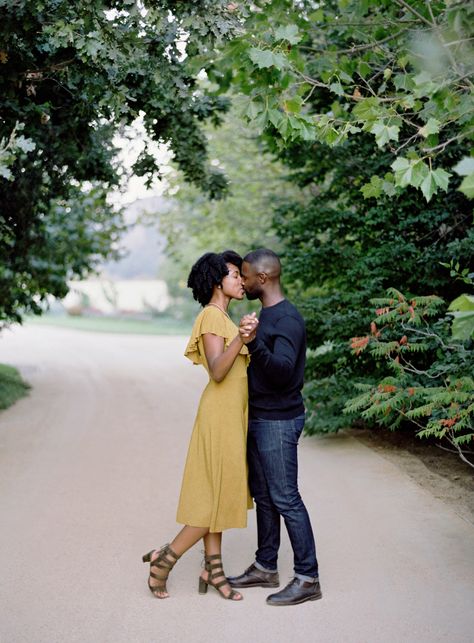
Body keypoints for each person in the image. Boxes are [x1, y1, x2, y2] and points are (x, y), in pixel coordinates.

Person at [142, 250, 257, 601]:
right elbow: (218, 371)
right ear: (216, 280)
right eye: (235, 274)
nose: (241, 279)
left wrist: (241, 335)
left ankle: (213, 568)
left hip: (231, 413)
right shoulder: (211, 317)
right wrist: (242, 338)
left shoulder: (223, 318)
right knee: (214, 497)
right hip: (218, 414)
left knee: (219, 492)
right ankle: (165, 559)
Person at [228, 248, 322, 606]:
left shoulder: (287, 319)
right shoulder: (265, 315)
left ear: (262, 279)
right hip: (261, 415)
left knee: (286, 498)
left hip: (279, 420)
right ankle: (266, 567)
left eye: (247, 276)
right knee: (265, 497)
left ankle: (308, 577)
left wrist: (254, 345)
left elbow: (283, 372)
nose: (243, 280)